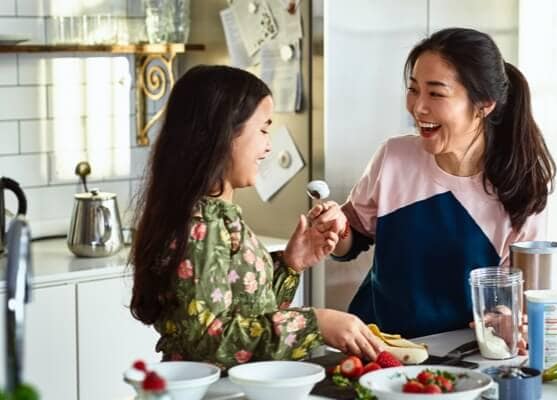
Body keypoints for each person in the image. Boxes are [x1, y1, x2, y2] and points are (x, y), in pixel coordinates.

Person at [129, 65, 383, 369]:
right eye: (263, 129)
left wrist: (290, 264)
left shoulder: (219, 216)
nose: (268, 145)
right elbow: (209, 342)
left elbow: (246, 315)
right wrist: (314, 324)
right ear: (222, 134)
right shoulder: (201, 226)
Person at [310, 28, 556, 339]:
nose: (418, 107)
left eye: (436, 93)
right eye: (414, 89)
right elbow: (354, 236)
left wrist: (507, 318)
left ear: (483, 104)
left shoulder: (521, 188)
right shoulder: (394, 156)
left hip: (461, 353)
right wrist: (335, 228)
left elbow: (513, 298)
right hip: (378, 346)